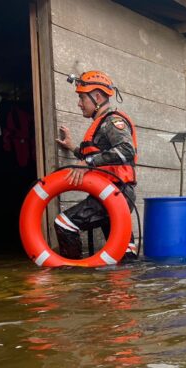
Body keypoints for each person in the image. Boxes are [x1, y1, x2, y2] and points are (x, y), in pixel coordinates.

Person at [55, 70, 139, 261]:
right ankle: (126, 286)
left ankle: (73, 276)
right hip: (111, 192)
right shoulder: (101, 123)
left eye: (81, 98)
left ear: (98, 97)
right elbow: (96, 155)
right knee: (123, 253)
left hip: (116, 192)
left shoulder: (112, 121)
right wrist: (74, 148)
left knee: (64, 223)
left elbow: (127, 150)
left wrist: (87, 162)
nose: (79, 104)